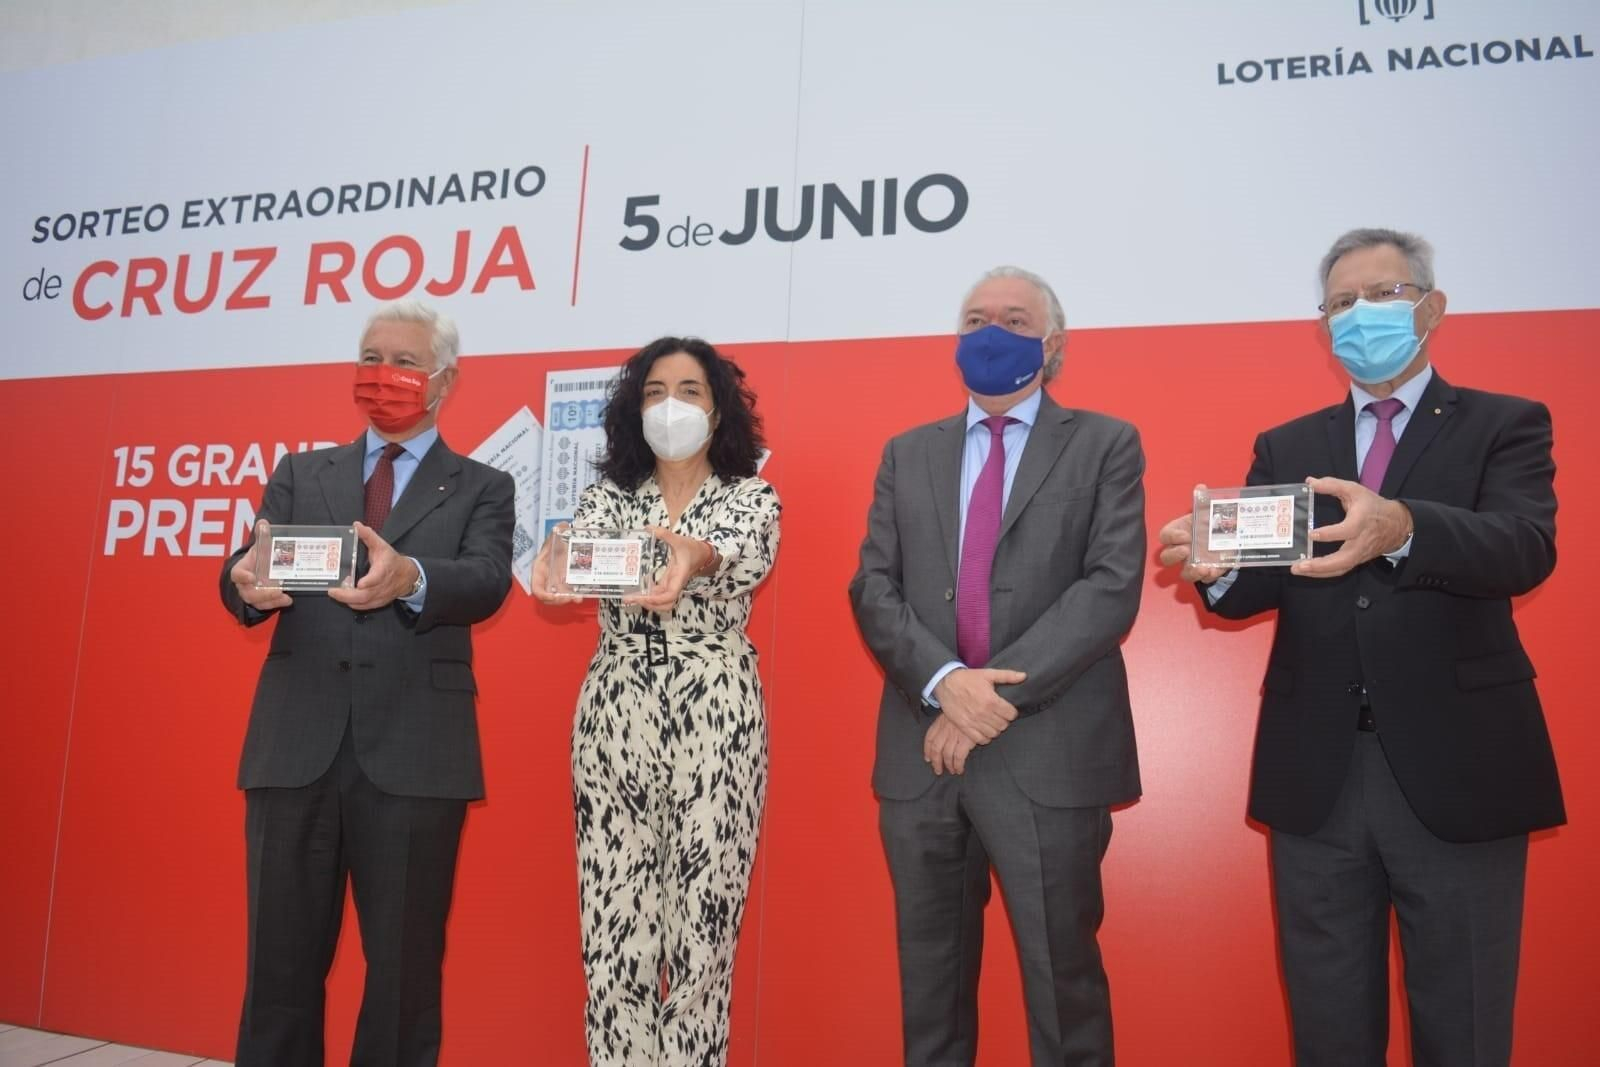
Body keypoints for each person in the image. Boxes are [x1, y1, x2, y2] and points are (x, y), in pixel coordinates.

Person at [1156, 228, 1565, 1067]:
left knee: (1467, 1028)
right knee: (1330, 1031)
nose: (1358, 315)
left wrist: (1403, 525)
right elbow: (1257, 587)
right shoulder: (1288, 445)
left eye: (1379, 295)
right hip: (1320, 779)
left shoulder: (1504, 424)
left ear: (1431, 308)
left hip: (1461, 772)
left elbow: (1524, 548)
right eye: (1341, 303)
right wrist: (1214, 569)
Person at [849, 267, 1146, 1066]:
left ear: (1053, 344)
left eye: (1013, 318)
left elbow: (1111, 588)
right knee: (931, 994)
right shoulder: (907, 453)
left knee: (1064, 988)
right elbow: (872, 587)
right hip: (922, 756)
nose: (991, 330)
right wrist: (947, 685)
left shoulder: (1105, 443)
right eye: (975, 317)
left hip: (1048, 756)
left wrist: (985, 698)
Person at [220, 300, 514, 1067]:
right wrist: (241, 584)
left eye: (404, 362)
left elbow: (486, 580)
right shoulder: (299, 472)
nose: (382, 375)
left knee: (404, 976)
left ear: (443, 381)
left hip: (418, 751)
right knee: (278, 966)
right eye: (370, 356)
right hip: (296, 744)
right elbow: (247, 569)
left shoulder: (482, 484)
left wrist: (408, 577)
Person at [532, 337, 780, 1066]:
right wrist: (558, 560)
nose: (670, 405)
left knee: (703, 932)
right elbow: (578, 554)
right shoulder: (606, 497)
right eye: (653, 391)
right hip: (614, 712)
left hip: (717, 718)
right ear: (631, 409)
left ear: (718, 407)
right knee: (615, 930)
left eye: (690, 390)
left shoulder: (751, 495)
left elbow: (733, 552)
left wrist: (689, 555)